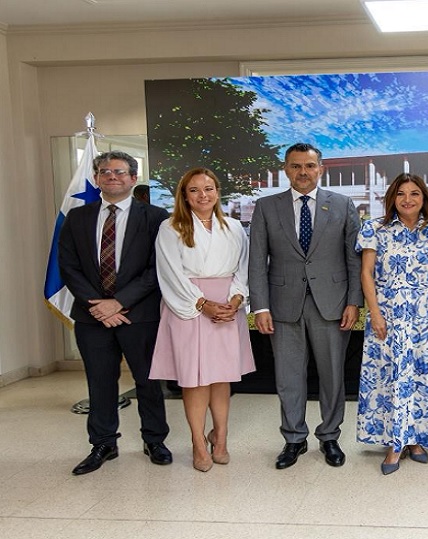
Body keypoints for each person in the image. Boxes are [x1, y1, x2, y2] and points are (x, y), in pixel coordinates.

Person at [248, 142, 362, 469]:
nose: (303, 172)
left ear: (320, 169)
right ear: (285, 169)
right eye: (296, 166)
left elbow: (354, 259)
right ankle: (294, 439)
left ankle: (329, 436)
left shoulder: (342, 204)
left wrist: (354, 301)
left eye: (309, 166)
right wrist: (261, 307)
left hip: (333, 305)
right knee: (288, 377)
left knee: (332, 376)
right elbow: (257, 261)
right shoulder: (267, 207)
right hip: (283, 306)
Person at [58, 151, 172, 475]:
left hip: (140, 314)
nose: (112, 176)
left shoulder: (155, 217)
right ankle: (103, 444)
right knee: (100, 381)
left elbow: (156, 268)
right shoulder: (77, 219)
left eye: (120, 172)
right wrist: (99, 305)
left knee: (148, 381)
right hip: (91, 317)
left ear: (133, 178)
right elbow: (68, 266)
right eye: (105, 171)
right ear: (96, 179)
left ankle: (154, 440)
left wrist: (119, 302)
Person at [149, 168, 255, 472]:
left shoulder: (234, 227)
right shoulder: (171, 228)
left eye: (208, 189)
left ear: (218, 192)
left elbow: (243, 269)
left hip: (227, 307)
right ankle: (198, 443)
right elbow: (169, 272)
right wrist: (202, 303)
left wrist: (235, 300)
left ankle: (220, 438)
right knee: (195, 379)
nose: (203, 195)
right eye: (194, 190)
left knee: (221, 378)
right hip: (188, 306)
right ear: (184, 195)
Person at [356, 173, 428, 475]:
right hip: (387, 316)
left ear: (424, 198)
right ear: (392, 198)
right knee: (390, 378)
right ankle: (394, 442)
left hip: (426, 317)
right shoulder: (375, 229)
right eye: (401, 194)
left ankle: (416, 438)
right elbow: (366, 274)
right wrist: (374, 313)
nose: (408, 199)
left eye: (414, 193)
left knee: (422, 377)